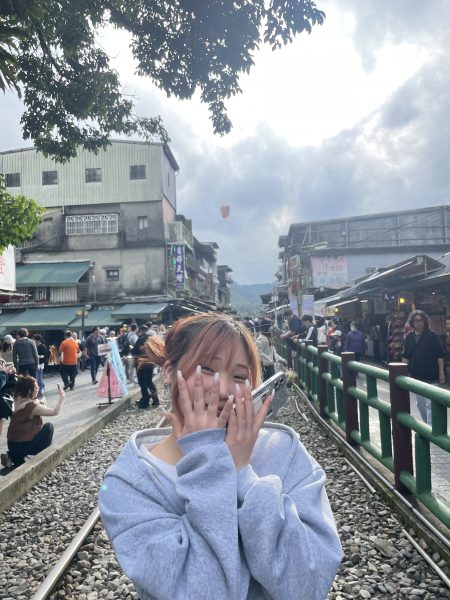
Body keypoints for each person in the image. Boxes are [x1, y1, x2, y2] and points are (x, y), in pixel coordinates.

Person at [99, 313, 342, 599]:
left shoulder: (284, 452)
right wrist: (210, 458)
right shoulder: (130, 484)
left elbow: (309, 585)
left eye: (239, 376)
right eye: (206, 369)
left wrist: (242, 473)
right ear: (168, 371)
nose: (224, 389)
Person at [1, 375, 65, 468]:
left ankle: (13, 457)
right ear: (29, 391)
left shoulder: (16, 400)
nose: (38, 388)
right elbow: (55, 412)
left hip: (12, 446)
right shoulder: (32, 406)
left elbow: (30, 404)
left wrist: (39, 403)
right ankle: (38, 456)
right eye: (36, 387)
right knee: (49, 427)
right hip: (25, 447)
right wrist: (62, 397)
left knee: (19, 461)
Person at [402, 310, 445, 425]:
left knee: (430, 403)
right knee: (420, 404)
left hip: (432, 375)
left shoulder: (433, 336)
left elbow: (440, 355)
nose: (418, 323)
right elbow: (406, 356)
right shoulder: (409, 337)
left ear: (424, 321)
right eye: (416, 320)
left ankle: (431, 429)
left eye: (420, 320)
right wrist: (403, 373)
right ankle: (426, 426)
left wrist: (441, 373)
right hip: (417, 376)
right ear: (412, 322)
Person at [131, 324, 160, 409]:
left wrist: (131, 349)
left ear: (140, 330)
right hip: (150, 363)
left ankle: (145, 401)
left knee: (142, 383)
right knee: (149, 382)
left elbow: (135, 351)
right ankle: (156, 400)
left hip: (142, 364)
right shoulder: (152, 338)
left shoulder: (141, 338)